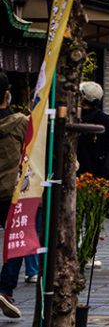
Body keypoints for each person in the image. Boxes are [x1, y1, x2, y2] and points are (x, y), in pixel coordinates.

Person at [0, 72, 27, 318]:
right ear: (7, 94)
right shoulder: (19, 122)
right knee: (17, 239)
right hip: (10, 191)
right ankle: (5, 289)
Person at [78, 81, 109, 219]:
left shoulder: (74, 117)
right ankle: (91, 239)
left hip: (76, 171)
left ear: (82, 97)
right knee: (94, 214)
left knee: (77, 211)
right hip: (99, 173)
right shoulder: (105, 119)